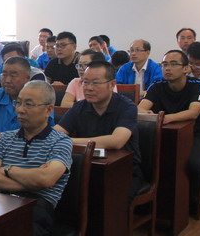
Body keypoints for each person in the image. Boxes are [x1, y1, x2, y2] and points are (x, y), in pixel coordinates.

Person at [0, 81, 73, 236]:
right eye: (19, 103)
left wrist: (8, 169)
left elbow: (46, 180)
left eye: (28, 104)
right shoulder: (5, 138)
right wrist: (31, 180)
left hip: (35, 209)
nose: (20, 110)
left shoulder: (61, 142)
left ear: (48, 110)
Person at [56, 61, 142, 203]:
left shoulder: (127, 107)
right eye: (85, 82)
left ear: (112, 84)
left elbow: (117, 141)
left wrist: (69, 141)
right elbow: (55, 134)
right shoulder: (79, 107)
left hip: (124, 171)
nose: (89, 88)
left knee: (108, 201)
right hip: (87, 167)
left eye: (95, 83)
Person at [138, 50, 200, 213]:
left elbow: (193, 112)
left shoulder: (197, 85)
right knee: (147, 162)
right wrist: (148, 114)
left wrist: (164, 118)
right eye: (165, 64)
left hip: (194, 134)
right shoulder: (157, 84)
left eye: (174, 64)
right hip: (164, 134)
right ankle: (156, 205)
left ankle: (192, 201)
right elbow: (140, 108)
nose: (168, 68)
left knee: (194, 165)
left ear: (186, 69)